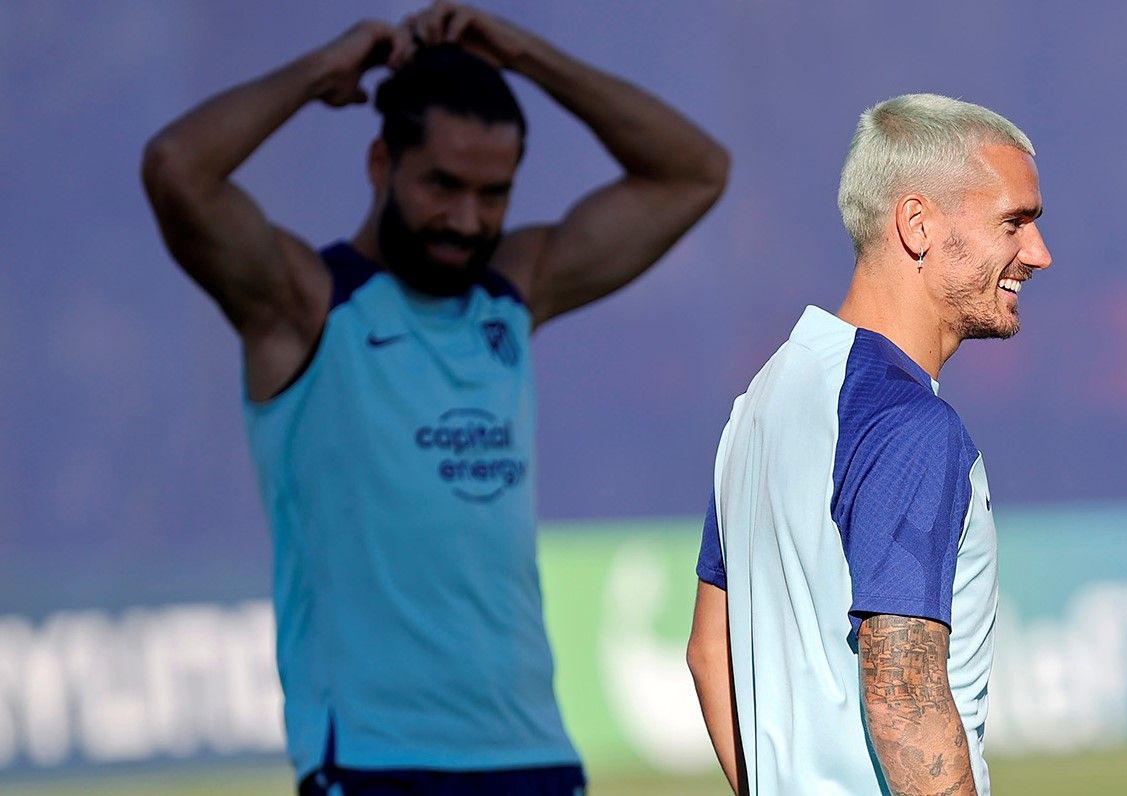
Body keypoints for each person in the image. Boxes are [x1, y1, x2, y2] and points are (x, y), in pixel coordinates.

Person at [141, 3, 727, 793]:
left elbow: (695, 170)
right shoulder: (302, 306)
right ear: (380, 162)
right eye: (442, 185)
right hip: (375, 764)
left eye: (493, 193)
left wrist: (528, 57)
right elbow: (177, 165)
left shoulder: (513, 293)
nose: (465, 218)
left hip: (533, 756)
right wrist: (323, 68)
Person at [687, 93, 1050, 796]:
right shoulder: (907, 424)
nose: (1037, 253)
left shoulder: (761, 400)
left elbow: (709, 655)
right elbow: (903, 703)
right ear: (916, 224)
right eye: (1014, 222)